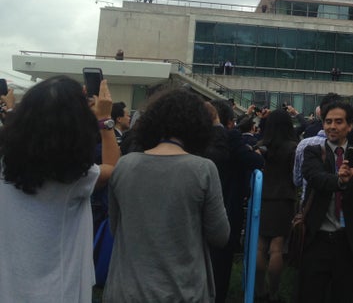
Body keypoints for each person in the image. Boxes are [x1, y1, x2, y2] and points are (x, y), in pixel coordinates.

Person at [102, 88, 230, 302]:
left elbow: (116, 228)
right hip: (183, 292)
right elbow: (220, 235)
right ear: (198, 126)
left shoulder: (124, 165)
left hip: (125, 291)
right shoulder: (203, 169)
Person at [0, 76, 120, 302]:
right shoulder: (76, 177)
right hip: (58, 292)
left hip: (10, 287)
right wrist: (104, 119)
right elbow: (114, 167)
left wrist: (10, 109)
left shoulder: (6, 165)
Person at [298, 99, 353, 302]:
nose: (332, 127)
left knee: (346, 294)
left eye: (338, 122)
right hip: (317, 239)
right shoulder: (313, 153)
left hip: (349, 242)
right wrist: (340, 181)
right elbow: (316, 178)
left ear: (350, 125)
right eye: (328, 122)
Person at [205, 99, 265, 303]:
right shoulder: (231, 137)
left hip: (197, 208)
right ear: (229, 121)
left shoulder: (193, 136)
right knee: (221, 263)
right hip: (227, 206)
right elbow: (255, 162)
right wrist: (254, 153)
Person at [255, 110, 297, 302]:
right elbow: (295, 177)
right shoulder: (293, 148)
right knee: (277, 248)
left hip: (262, 198)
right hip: (284, 199)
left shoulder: (260, 146)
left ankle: (258, 290)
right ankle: (274, 293)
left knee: (260, 246)